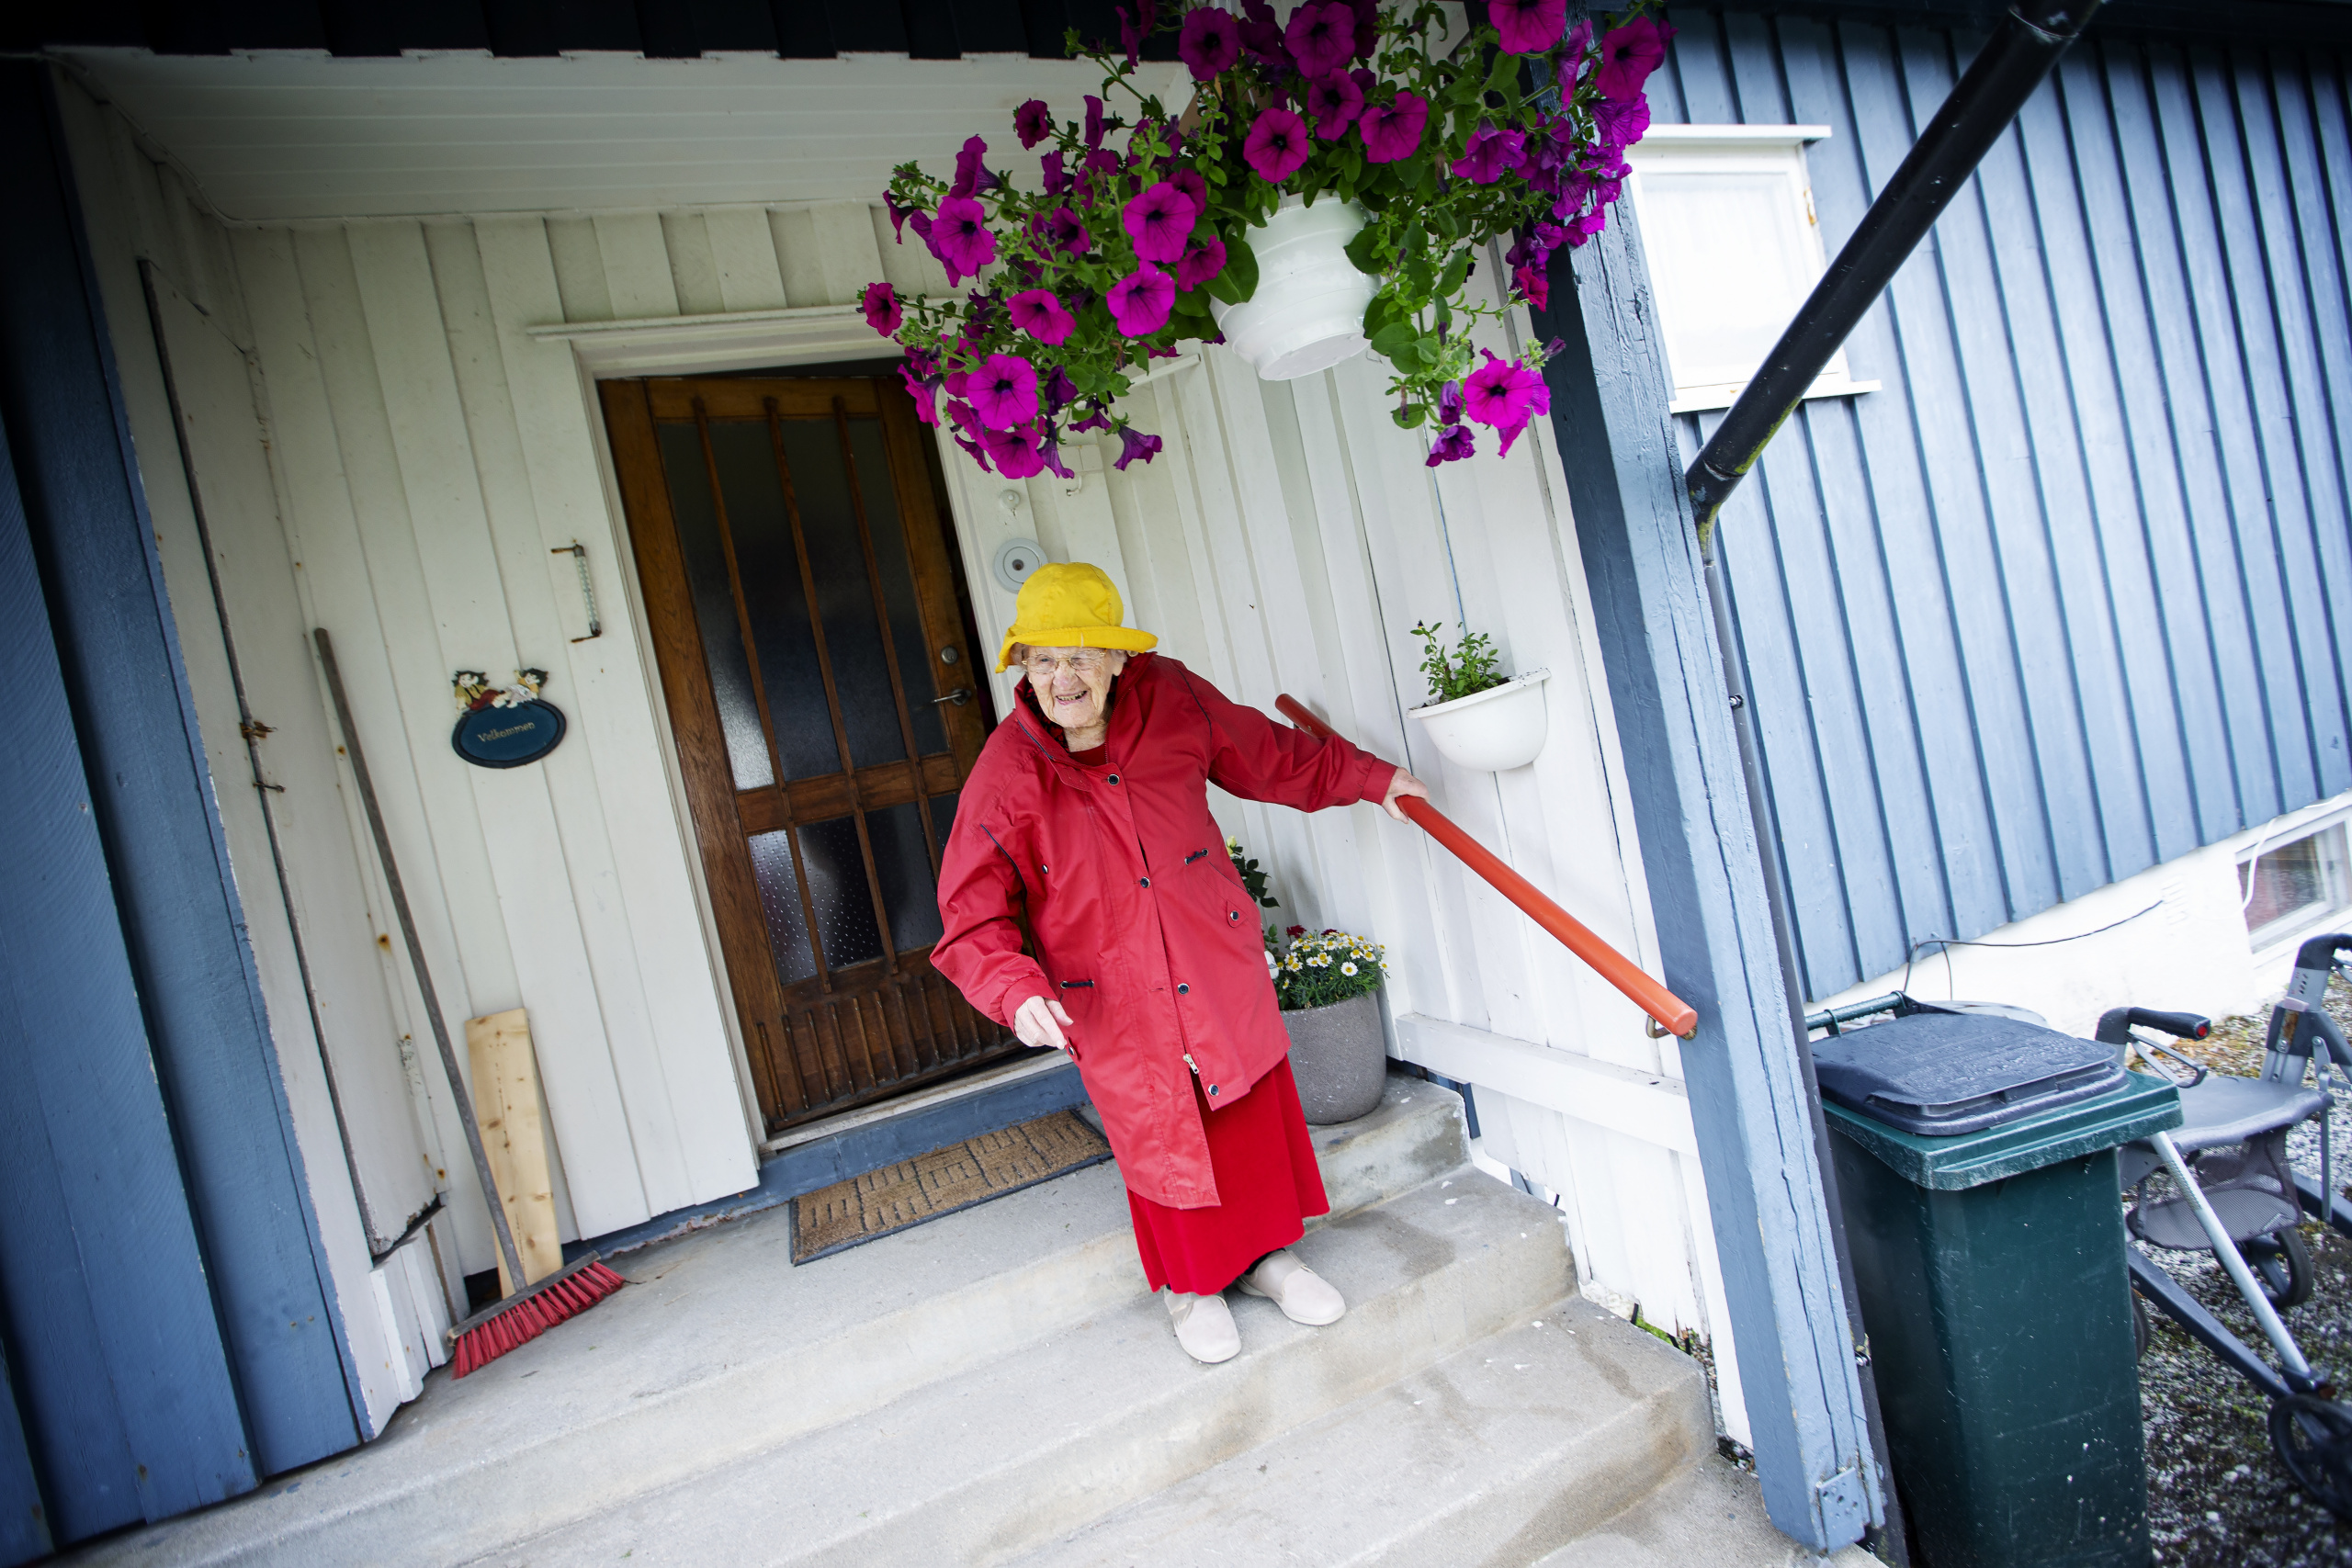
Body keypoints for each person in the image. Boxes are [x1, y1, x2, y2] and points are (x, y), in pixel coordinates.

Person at [932, 563, 1429, 1363]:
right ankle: (1191, 1289)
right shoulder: (1007, 770)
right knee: (1163, 1124)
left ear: (1120, 660)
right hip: (1113, 991)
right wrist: (1013, 987)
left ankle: (1271, 1258)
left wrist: (1372, 780)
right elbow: (970, 914)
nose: (1066, 677)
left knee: (1244, 1110)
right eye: (1047, 659)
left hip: (1209, 952)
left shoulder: (1173, 698)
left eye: (1084, 656)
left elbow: (1270, 756)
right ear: (1023, 667)